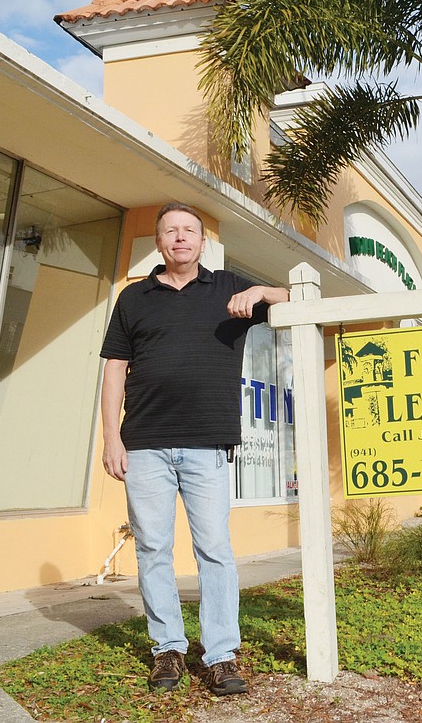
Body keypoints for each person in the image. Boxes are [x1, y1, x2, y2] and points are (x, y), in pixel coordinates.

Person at [100, 202, 289, 694]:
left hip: (207, 445)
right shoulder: (133, 297)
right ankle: (167, 650)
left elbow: (293, 300)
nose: (180, 238)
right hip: (144, 445)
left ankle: (222, 655)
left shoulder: (228, 287)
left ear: (202, 242)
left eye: (189, 231)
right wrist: (111, 438)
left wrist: (261, 291)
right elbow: (115, 369)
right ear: (159, 242)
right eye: (170, 231)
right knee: (153, 549)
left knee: (214, 550)